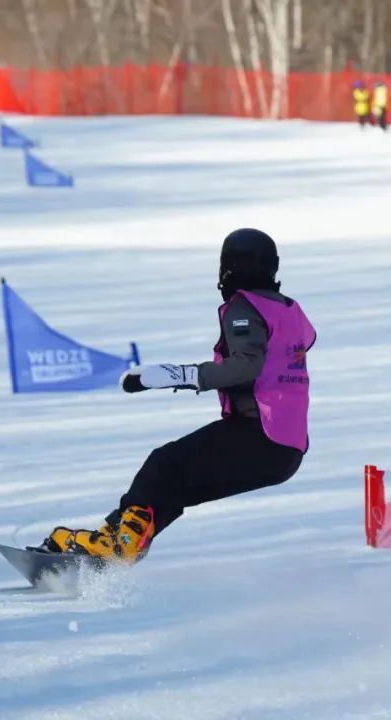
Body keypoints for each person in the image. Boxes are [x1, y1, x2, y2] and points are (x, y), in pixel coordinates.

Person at [38, 229, 316, 564]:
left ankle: (119, 544)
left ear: (228, 266)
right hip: (287, 450)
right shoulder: (289, 310)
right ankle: (110, 542)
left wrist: (177, 375)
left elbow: (248, 365)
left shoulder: (244, 306)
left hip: (260, 435)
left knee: (164, 464)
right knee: (171, 486)